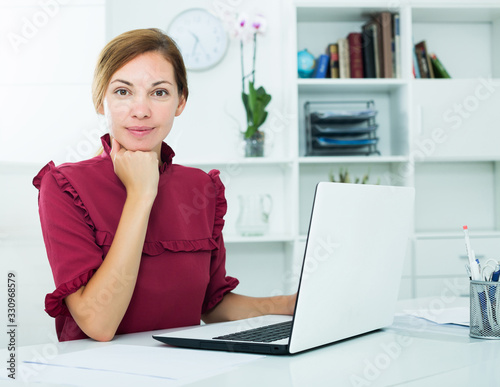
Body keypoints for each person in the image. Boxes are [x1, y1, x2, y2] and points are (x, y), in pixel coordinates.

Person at [33, 28, 296, 342]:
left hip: (183, 369)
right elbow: (98, 324)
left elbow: (211, 306)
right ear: (100, 101)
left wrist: (291, 303)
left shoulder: (202, 188)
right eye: (122, 92)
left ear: (180, 101)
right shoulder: (64, 186)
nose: (141, 110)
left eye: (159, 92)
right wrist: (141, 194)